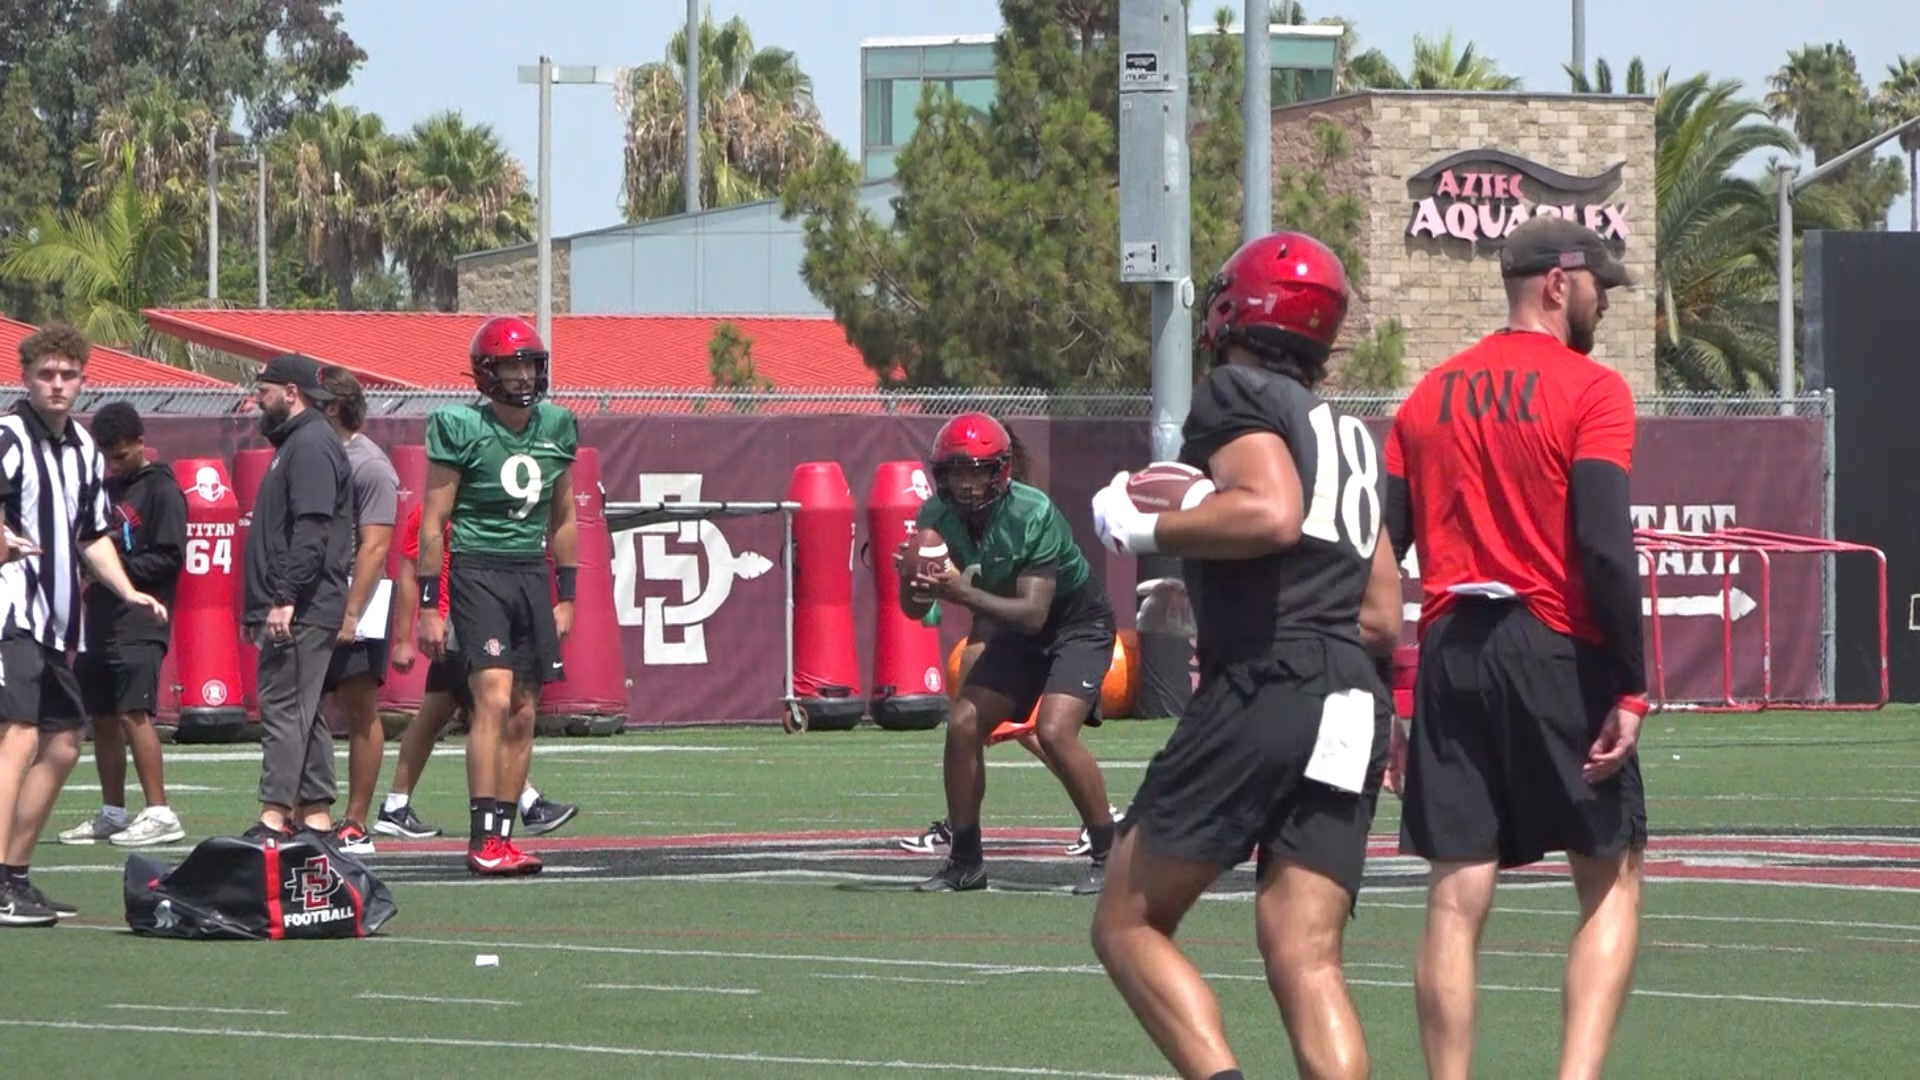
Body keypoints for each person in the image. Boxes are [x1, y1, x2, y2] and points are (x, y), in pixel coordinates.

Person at [1087, 232, 1404, 1080]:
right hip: (1351, 697)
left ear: (1237, 309)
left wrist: (1146, 528)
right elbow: (1380, 613)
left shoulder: (1236, 391)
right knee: (1306, 956)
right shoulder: (1350, 436)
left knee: (1126, 920)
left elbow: (1267, 512)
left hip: (1273, 687)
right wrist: (1217, 599)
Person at [1383, 215, 1647, 1080]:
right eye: (1600, 285)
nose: (1604, 301)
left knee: (1455, 899)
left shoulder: (1423, 399)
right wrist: (1634, 686)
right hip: (1556, 649)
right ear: (1557, 284)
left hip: (1452, 647)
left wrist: (1392, 693)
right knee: (1609, 880)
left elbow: (1381, 557)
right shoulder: (1593, 389)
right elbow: (1606, 547)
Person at [901, 412, 1117, 896]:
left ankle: (1109, 849)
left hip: (1074, 623)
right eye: (956, 473)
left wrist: (959, 593)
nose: (967, 484)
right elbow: (914, 609)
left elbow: (1034, 613)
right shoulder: (935, 517)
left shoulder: (1031, 512)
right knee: (961, 726)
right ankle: (965, 860)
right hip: (1016, 630)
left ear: (1000, 472)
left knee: (1055, 731)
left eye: (977, 471)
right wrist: (913, 578)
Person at [0, 324, 169, 927]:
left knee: (67, 741)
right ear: (25, 377)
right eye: (46, 374)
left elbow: (91, 535)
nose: (57, 384)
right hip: (10, 610)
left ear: (82, 381)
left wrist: (129, 591)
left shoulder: (82, 452)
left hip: (56, 620)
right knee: (18, 732)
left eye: (67, 375)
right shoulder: (8, 435)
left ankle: (14, 876)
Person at [416, 315, 579, 877]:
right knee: (492, 697)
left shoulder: (558, 425)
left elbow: (564, 516)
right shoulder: (459, 426)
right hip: (479, 570)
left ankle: (505, 838)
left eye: (529, 363)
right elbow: (434, 522)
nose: (523, 375)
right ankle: (481, 837)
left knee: (525, 711)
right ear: (486, 373)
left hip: (531, 573)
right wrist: (428, 605)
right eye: (511, 364)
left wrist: (568, 594)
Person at [377, 498, 578, 841]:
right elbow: (409, 572)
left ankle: (396, 806)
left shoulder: (484, 505)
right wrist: (408, 634)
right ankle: (526, 803)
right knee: (495, 710)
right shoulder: (431, 514)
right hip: (461, 621)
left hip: (469, 618)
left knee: (434, 716)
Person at [59, 402, 188, 849]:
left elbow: (170, 558)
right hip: (100, 615)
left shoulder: (162, 490)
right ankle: (113, 811)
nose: (114, 465)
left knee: (135, 711)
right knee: (102, 715)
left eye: (121, 455)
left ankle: (159, 811)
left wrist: (117, 568)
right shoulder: (103, 489)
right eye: (107, 457)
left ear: (140, 442)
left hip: (142, 615)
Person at [242, 353, 354, 840]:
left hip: (303, 605)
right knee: (304, 713)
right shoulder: (300, 443)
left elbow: (312, 529)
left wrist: (284, 597)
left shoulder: (308, 445)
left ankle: (274, 816)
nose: (256, 397)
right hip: (305, 603)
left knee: (284, 706)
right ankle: (314, 815)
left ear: (291, 392)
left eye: (264, 388)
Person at [313, 366, 398, 856]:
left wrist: (351, 612)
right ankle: (309, 810)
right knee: (301, 706)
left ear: (333, 408)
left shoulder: (369, 465)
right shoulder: (311, 456)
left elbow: (374, 546)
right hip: (314, 594)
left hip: (355, 595)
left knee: (359, 708)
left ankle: (357, 820)